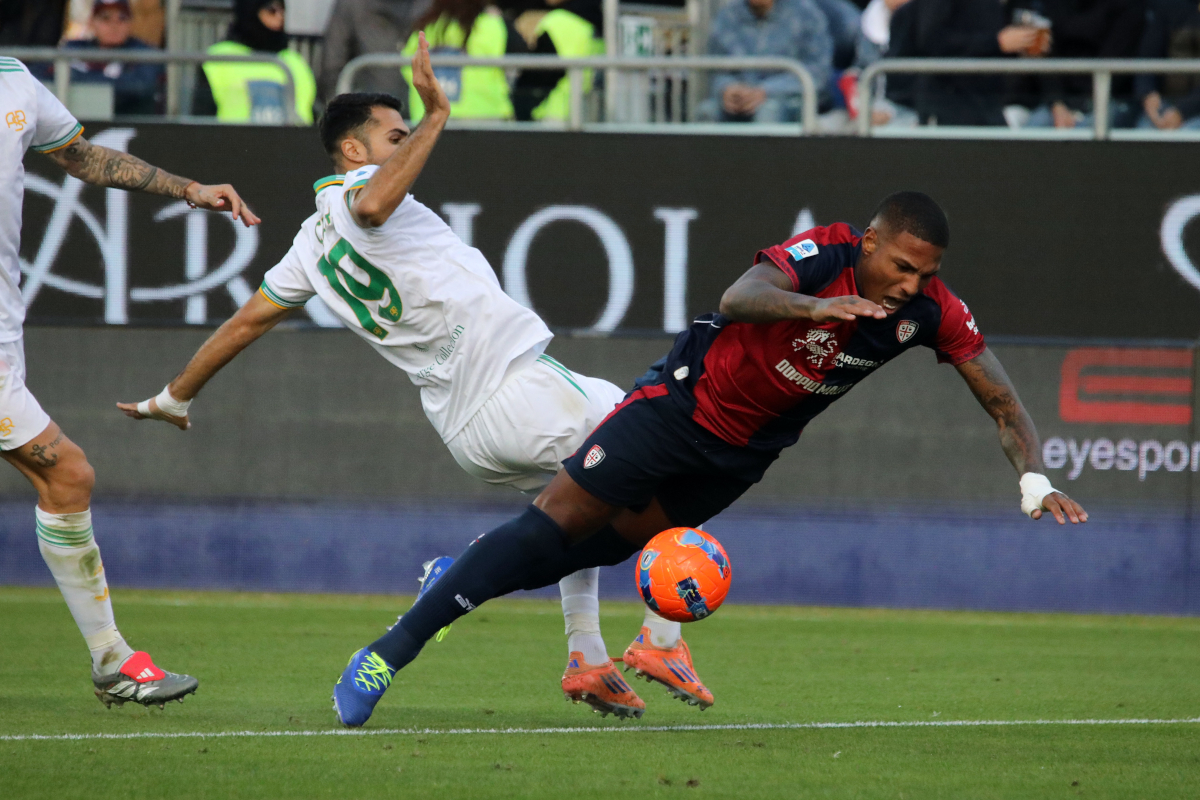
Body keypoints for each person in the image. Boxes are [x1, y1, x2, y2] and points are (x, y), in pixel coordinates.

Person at [331, 191, 1091, 728]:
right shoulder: (822, 255)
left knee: (581, 549)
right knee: (551, 528)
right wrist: (816, 306)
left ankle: (464, 576)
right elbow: (739, 295)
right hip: (676, 409)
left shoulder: (929, 312)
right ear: (869, 241)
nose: (911, 284)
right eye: (900, 266)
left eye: (925, 274)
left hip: (736, 461)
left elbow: (1001, 398)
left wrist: (1031, 475)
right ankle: (386, 654)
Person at [119, 34, 710, 722]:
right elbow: (369, 207)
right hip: (519, 390)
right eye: (393, 134)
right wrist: (436, 115)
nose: (406, 142)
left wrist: (175, 395)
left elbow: (245, 324)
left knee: (580, 511)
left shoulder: (308, 248)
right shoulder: (358, 199)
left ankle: (586, 656)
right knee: (676, 450)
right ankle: (650, 635)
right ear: (353, 150)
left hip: (469, 433)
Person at [0, 56, 259, 707]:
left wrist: (187, 188)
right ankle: (113, 661)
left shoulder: (17, 81)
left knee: (64, 478)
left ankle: (113, 660)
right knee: (68, 476)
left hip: (4, 329)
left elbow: (81, 155)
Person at [903, 0, 1051, 126]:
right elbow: (931, 40)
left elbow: (999, 36)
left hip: (989, 101)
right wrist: (996, 42)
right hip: (948, 100)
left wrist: (1025, 46)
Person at [701, 0, 834, 124]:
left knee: (768, 111)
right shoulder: (727, 15)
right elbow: (715, 68)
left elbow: (818, 73)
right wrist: (727, 88)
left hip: (787, 99)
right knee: (706, 112)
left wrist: (766, 91)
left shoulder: (807, 15)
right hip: (738, 99)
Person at [193, 0, 317, 124]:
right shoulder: (218, 59)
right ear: (251, 11)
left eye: (282, 10)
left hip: (293, 143)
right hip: (231, 142)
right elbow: (200, 123)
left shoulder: (295, 61)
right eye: (271, 10)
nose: (280, 17)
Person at [400, 0, 520, 121]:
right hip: (486, 115)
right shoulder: (492, 24)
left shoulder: (425, 27)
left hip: (429, 118)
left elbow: (406, 68)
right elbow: (522, 54)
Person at [57, 0, 165, 116]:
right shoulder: (74, 48)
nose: (114, 25)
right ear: (91, 22)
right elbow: (43, 76)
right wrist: (109, 79)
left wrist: (80, 78)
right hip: (77, 120)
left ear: (131, 23)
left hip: (129, 123)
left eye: (122, 18)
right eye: (105, 18)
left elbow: (139, 87)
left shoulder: (145, 53)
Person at [319, 0, 430, 108]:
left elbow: (332, 66)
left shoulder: (435, 6)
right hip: (370, 115)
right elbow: (332, 69)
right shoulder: (353, 5)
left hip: (424, 114)